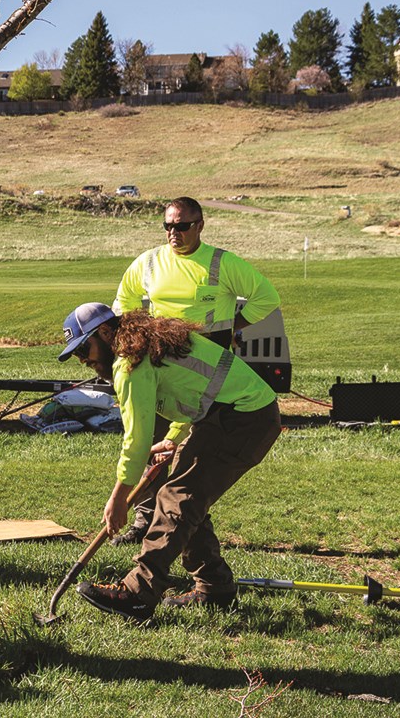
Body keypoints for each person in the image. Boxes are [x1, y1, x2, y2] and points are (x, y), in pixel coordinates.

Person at [57, 302, 281, 621]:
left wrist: (119, 498)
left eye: (85, 349)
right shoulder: (147, 342)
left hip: (243, 418)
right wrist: (173, 438)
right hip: (232, 415)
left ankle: (138, 592)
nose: (84, 360)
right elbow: (196, 390)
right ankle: (214, 588)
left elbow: (135, 441)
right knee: (184, 499)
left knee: (177, 498)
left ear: (105, 333)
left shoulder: (129, 362)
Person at [109, 196, 280, 547]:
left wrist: (236, 326)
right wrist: (137, 334)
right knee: (150, 446)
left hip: (207, 373)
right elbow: (123, 301)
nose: (175, 233)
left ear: (200, 225)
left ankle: (187, 518)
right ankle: (146, 518)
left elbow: (266, 297)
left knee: (192, 457)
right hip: (161, 366)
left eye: (182, 226)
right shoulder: (150, 262)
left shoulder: (221, 263)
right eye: (168, 226)